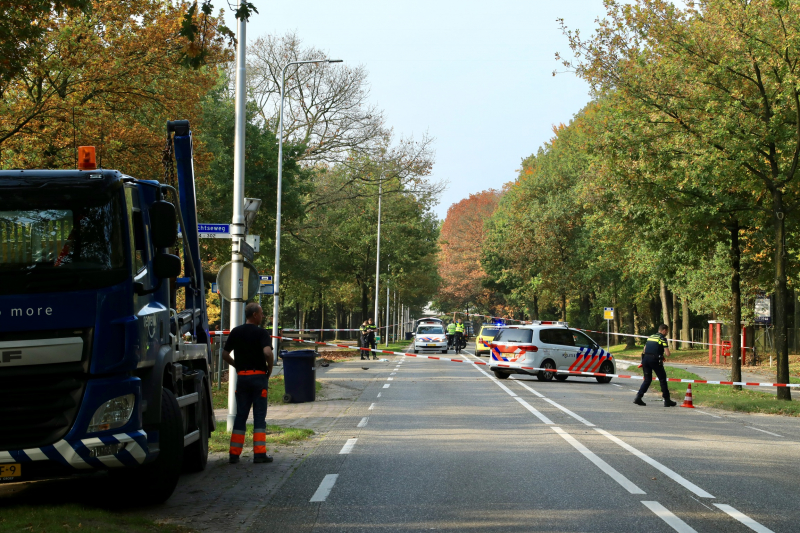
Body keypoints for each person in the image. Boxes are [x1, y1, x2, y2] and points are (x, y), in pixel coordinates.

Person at [221, 302, 275, 464]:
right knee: (259, 416)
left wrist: (237, 365)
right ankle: (259, 454)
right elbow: (267, 352)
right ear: (255, 315)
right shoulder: (261, 333)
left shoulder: (236, 332)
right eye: (261, 313)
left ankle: (234, 454)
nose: (263, 316)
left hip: (242, 378)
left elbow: (224, 354)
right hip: (259, 378)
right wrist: (269, 368)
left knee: (241, 415)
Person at [634, 324, 677, 407]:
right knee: (662, 379)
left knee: (647, 379)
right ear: (664, 330)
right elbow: (668, 354)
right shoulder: (662, 338)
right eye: (667, 331)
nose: (667, 333)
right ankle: (667, 400)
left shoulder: (651, 336)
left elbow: (644, 349)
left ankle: (638, 397)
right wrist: (664, 354)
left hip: (645, 359)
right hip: (655, 360)